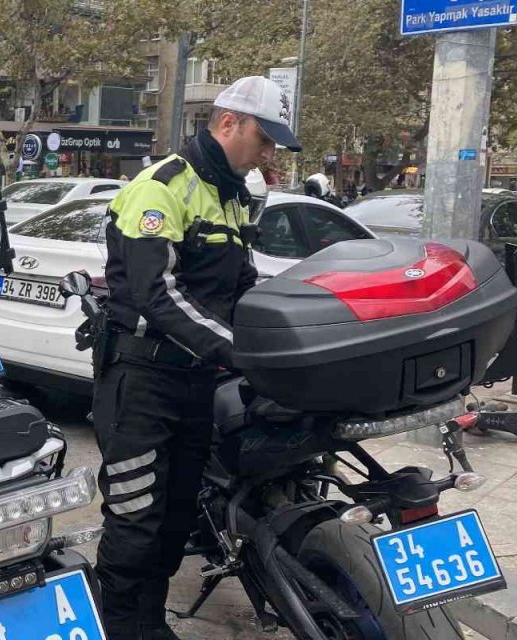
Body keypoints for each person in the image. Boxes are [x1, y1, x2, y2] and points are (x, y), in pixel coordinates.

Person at [93, 76, 301, 640]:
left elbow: (238, 286)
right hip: (141, 380)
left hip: (195, 381)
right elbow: (157, 294)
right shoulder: (161, 187)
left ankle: (150, 624)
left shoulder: (231, 197)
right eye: (264, 139)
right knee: (135, 520)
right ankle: (120, 629)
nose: (268, 153)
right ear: (228, 123)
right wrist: (238, 351)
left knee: (174, 518)